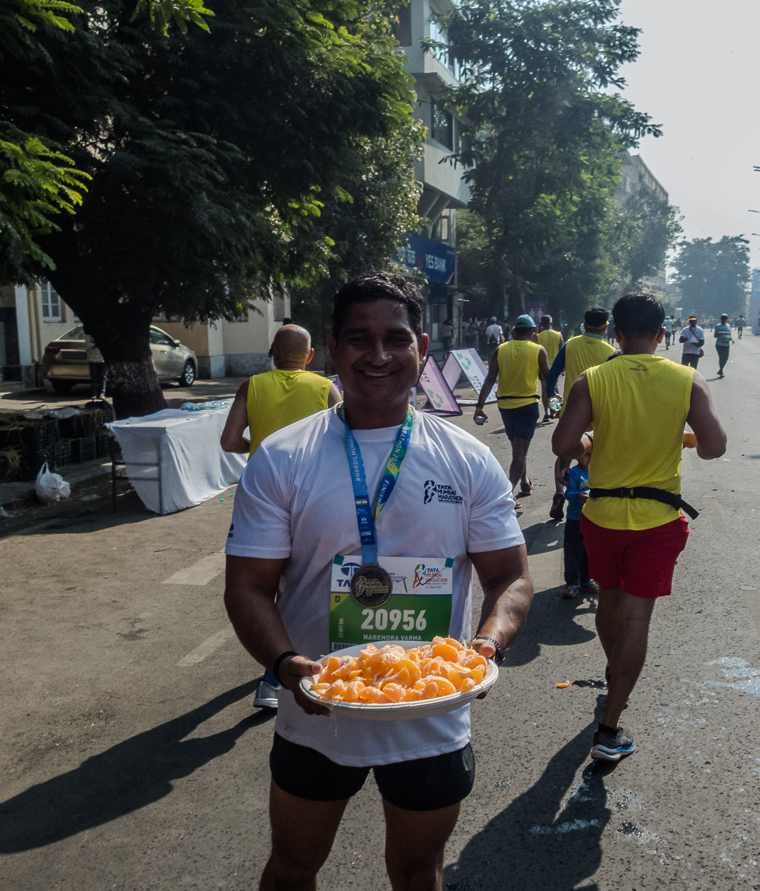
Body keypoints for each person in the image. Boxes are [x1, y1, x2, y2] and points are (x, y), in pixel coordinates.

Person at [224, 272, 533, 891]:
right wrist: (285, 665)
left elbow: (511, 578)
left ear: (422, 345)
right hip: (319, 708)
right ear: (333, 349)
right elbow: (248, 587)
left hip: (430, 715)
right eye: (360, 339)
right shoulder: (283, 457)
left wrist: (488, 645)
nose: (379, 355)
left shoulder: (465, 457)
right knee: (291, 870)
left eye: (396, 338)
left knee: (418, 872)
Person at [552, 293, 727, 762]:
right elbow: (714, 448)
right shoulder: (688, 380)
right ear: (661, 335)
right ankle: (609, 728)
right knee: (638, 616)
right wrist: (682, 435)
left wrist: (591, 445)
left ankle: (616, 677)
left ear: (615, 334)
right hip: (657, 520)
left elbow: (564, 443)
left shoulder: (593, 380)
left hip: (601, 517)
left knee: (609, 598)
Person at [221, 324, 342, 709]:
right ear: (310, 357)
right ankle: (307, 669)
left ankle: (272, 677)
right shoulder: (325, 388)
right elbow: (348, 438)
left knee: (260, 587)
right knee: (308, 583)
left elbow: (228, 441)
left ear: (273, 351)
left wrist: (258, 446)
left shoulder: (252, 386)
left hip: (262, 496)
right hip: (318, 497)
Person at [544, 307, 615, 521]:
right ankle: (591, 497)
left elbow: (552, 375)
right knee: (594, 457)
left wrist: (554, 401)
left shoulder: (571, 344)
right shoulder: (609, 351)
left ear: (584, 324)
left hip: (571, 412)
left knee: (563, 454)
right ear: (605, 326)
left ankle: (560, 491)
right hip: (597, 416)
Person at [473, 314, 550, 508]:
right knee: (519, 451)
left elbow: (490, 378)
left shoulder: (500, 350)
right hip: (527, 406)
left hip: (505, 406)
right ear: (533, 332)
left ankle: (524, 482)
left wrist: (479, 406)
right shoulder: (538, 350)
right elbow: (547, 380)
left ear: (514, 331)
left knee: (518, 449)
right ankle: (507, 493)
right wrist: (554, 403)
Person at [561, 443, 596, 600]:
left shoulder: (598, 472)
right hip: (575, 519)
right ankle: (571, 583)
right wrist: (577, 495)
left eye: (592, 454)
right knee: (573, 551)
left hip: (592, 519)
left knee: (589, 550)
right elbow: (568, 493)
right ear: (578, 455)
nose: (590, 458)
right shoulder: (575, 472)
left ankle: (586, 580)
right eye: (586, 454)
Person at [536, 316, 563, 420]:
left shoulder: (538, 336)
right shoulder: (558, 335)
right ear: (551, 324)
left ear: (541, 324)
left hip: (542, 366)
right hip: (555, 366)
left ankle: (546, 413)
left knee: (544, 389)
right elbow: (562, 351)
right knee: (554, 389)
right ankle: (556, 411)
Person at [713, 314, 734, 378]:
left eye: (725, 318)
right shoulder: (718, 326)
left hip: (726, 344)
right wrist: (720, 333)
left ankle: (721, 369)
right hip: (719, 344)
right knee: (721, 357)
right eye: (723, 318)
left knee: (726, 358)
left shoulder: (728, 326)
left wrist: (731, 339)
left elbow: (729, 334)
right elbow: (715, 335)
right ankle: (721, 370)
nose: (724, 320)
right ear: (721, 319)